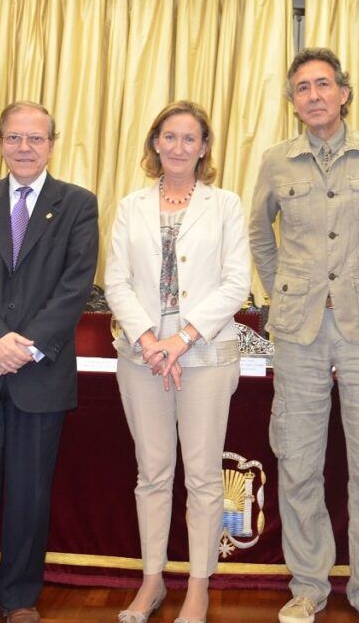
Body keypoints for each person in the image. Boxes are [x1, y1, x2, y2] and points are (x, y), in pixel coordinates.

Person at [249, 48, 359, 623]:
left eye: (323, 84)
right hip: (298, 331)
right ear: (293, 101)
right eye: (302, 87)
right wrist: (283, 291)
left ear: (343, 93)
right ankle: (307, 586)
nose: (314, 95)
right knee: (298, 460)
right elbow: (259, 236)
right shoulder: (276, 160)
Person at [0, 101, 99, 623]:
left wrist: (25, 347)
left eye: (35, 138)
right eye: (14, 137)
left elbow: (75, 284)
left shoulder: (78, 204)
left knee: (30, 496)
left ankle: (19, 598)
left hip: (40, 373)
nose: (24, 147)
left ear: (52, 144)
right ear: (0, 142)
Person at [105, 101, 251, 623]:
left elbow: (236, 282)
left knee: (205, 477)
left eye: (190, 138)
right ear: (155, 142)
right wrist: (150, 340)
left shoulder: (225, 205)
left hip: (205, 356)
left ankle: (197, 587)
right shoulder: (131, 206)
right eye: (169, 136)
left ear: (205, 147)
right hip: (142, 357)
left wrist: (182, 340)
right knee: (152, 473)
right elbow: (116, 280)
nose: (179, 147)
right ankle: (151, 581)